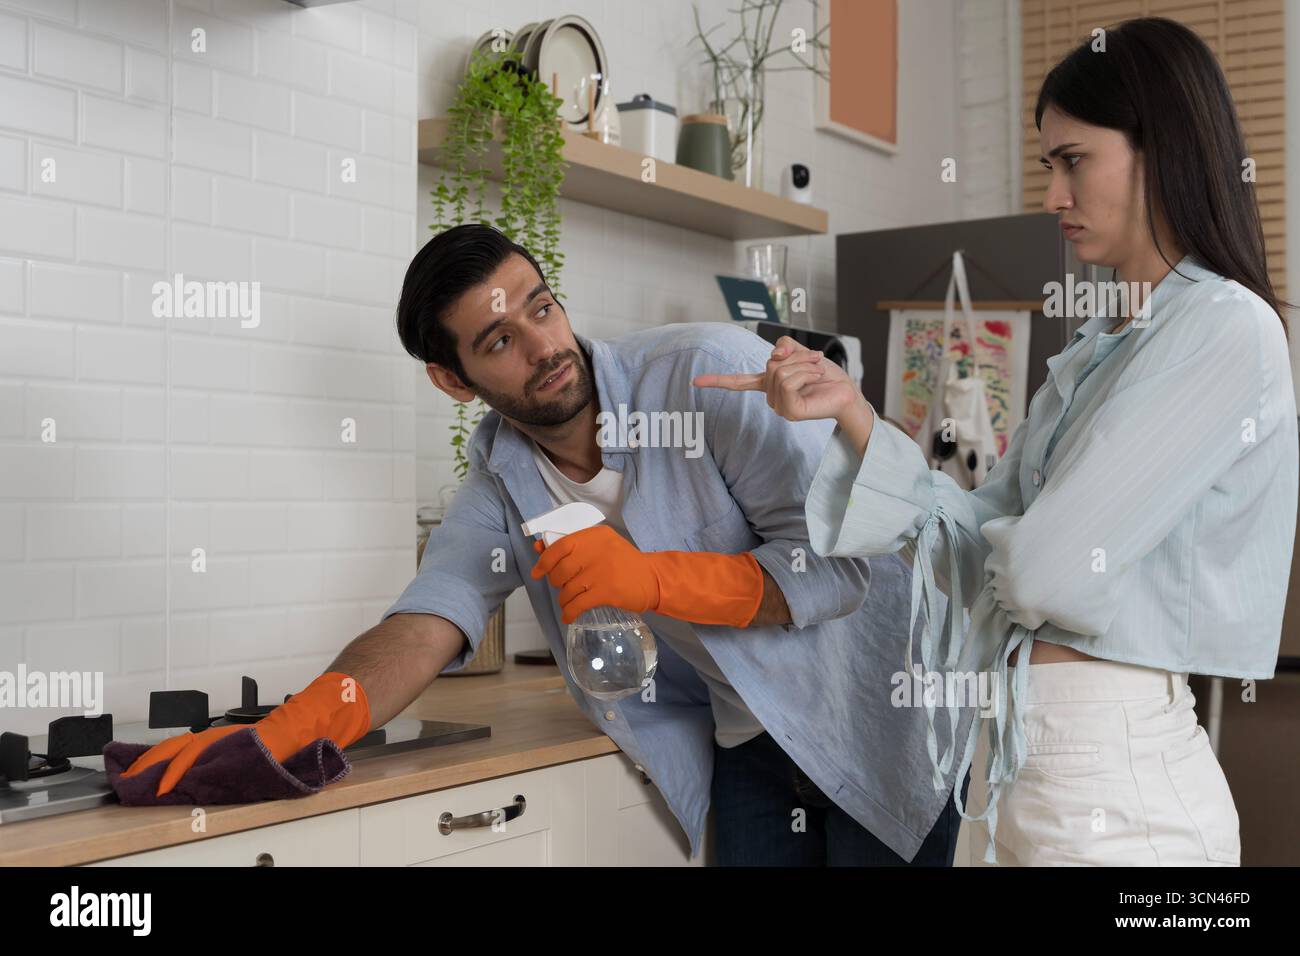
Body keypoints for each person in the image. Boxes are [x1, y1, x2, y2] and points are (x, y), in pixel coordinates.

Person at [124, 221, 973, 866]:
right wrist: (290, 732)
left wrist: (650, 579)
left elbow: (836, 571)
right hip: (752, 742)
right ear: (454, 381)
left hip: (879, 716)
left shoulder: (705, 373)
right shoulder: (501, 479)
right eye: (500, 341)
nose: (544, 347)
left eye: (542, 307)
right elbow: (429, 620)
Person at [693, 17, 1297, 865]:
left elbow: (1042, 566)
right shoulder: (1100, 346)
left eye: (1072, 160)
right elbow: (981, 548)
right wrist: (855, 415)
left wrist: (1019, 554)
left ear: (1160, 149)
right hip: (1022, 763)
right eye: (1049, 165)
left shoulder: (1225, 328)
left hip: (1116, 781)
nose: (1052, 195)